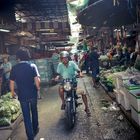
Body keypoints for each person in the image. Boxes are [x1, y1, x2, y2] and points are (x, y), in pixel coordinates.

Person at [10, 48, 40, 140]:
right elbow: (37, 82)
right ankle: (35, 128)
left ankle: (30, 137)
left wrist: (12, 93)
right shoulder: (31, 66)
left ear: (18, 57)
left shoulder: (14, 68)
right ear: (27, 56)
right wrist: (38, 89)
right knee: (34, 111)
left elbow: (11, 82)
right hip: (32, 94)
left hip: (22, 95)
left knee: (26, 116)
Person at [55, 51, 91, 116]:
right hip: (64, 83)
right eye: (63, 58)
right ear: (61, 59)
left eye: (65, 58)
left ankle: (87, 108)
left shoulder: (72, 63)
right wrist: (57, 77)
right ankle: (63, 102)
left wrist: (80, 73)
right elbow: (58, 73)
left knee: (83, 92)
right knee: (60, 89)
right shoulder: (60, 65)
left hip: (73, 82)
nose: (64, 59)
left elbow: (78, 70)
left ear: (68, 58)